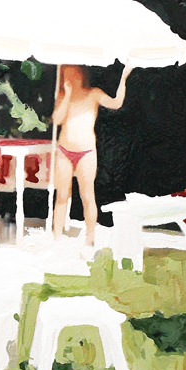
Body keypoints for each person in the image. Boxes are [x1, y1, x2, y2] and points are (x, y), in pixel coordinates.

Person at [52, 63, 132, 246]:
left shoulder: (93, 93)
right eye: (67, 75)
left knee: (87, 195)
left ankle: (90, 237)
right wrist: (67, 96)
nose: (71, 79)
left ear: (82, 76)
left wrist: (124, 78)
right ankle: (56, 237)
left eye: (74, 75)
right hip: (64, 150)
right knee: (62, 195)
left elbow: (116, 103)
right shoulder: (62, 96)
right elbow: (57, 119)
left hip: (86, 152)